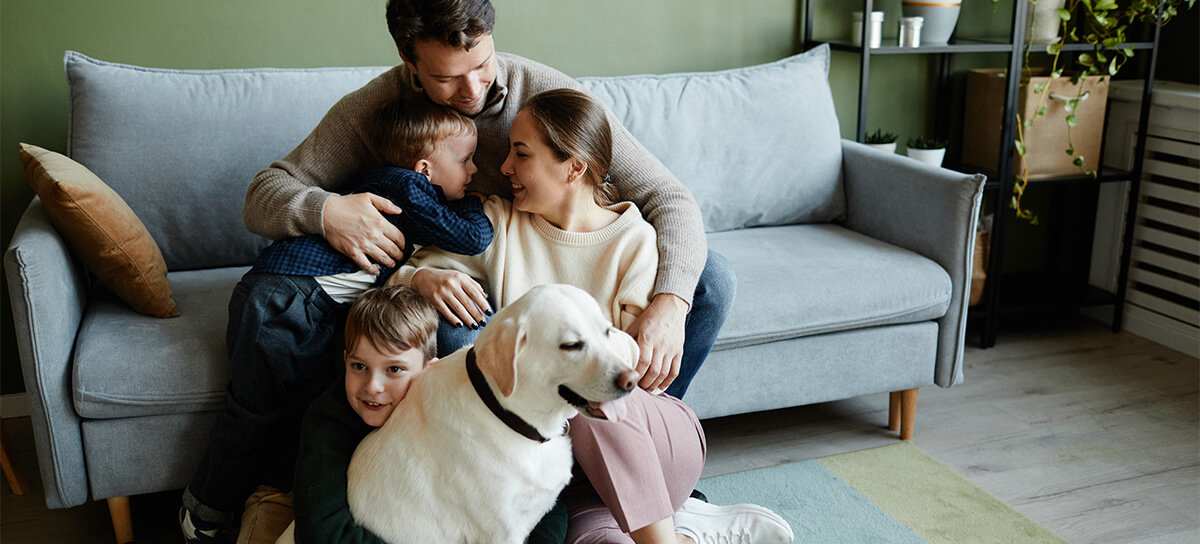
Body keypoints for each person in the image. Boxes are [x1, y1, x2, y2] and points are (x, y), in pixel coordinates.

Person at [242, 0, 736, 403]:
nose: (472, 89)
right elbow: (264, 194)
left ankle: (653, 438)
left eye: (482, 64)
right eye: (446, 79)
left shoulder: (545, 94)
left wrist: (671, 305)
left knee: (708, 281)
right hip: (478, 273)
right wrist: (326, 211)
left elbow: (667, 195)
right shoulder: (377, 110)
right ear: (409, 63)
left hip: (562, 255)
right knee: (454, 333)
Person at [393, 88, 791, 544]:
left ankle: (667, 525)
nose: (503, 168)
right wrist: (419, 279)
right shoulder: (497, 225)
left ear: (574, 167)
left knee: (587, 390)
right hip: (572, 476)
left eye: (520, 154)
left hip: (649, 440)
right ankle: (685, 529)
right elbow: (403, 274)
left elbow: (628, 380)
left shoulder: (634, 240)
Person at [180, 99, 495, 543]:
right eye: (465, 160)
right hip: (279, 301)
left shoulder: (396, 184)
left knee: (300, 401)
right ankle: (203, 509)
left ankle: (276, 492)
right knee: (253, 409)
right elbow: (470, 237)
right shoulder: (406, 188)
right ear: (425, 167)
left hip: (302, 304)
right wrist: (477, 204)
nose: (475, 169)